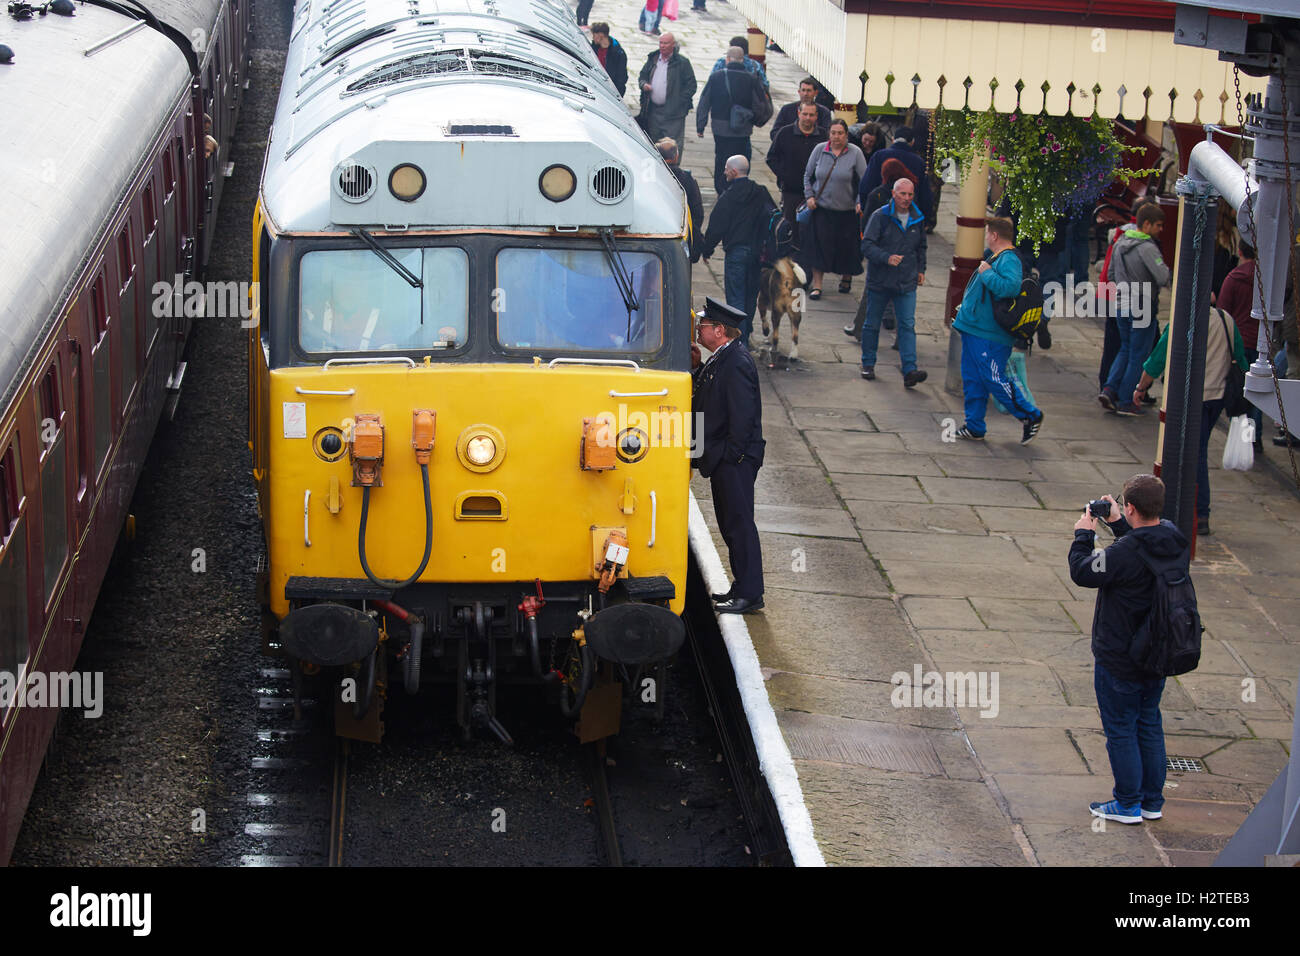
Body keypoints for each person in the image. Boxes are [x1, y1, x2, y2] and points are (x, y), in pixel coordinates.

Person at [1068, 473, 1189, 826]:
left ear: (1131, 506)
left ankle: (1127, 803)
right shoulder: (1173, 538)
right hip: (1159, 651)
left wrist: (1084, 534)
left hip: (1121, 655)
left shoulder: (1124, 553)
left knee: (1121, 728)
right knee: (1149, 722)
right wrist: (1121, 525)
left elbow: (1084, 571)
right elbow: (1144, 552)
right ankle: (1152, 801)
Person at [1134, 305, 1248, 537]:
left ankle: (1196, 511)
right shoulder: (1226, 318)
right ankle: (1196, 510)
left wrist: (1141, 387)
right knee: (1198, 451)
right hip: (1217, 396)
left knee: (1189, 454)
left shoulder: (1182, 318)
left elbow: (1157, 358)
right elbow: (1241, 358)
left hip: (1190, 397)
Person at [691, 297, 765, 614]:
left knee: (739, 524)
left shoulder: (736, 362)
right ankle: (741, 586)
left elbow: (743, 416)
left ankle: (750, 592)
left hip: (734, 460)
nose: (698, 330)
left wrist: (730, 457)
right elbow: (708, 392)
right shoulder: (723, 356)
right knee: (730, 524)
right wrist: (697, 367)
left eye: (702, 326)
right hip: (726, 458)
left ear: (719, 330)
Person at [949, 216, 1045, 444]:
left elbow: (1010, 287)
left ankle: (1031, 415)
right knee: (973, 378)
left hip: (990, 334)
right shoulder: (999, 257)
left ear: (993, 235)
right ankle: (974, 426)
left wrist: (986, 273)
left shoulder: (1008, 259)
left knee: (994, 378)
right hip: (976, 329)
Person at [1099, 204, 1170, 416]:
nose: (1160, 229)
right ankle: (1126, 400)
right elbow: (1163, 277)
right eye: (1158, 225)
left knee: (1125, 348)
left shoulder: (1120, 242)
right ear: (1146, 224)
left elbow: (1111, 273)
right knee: (1139, 353)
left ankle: (1110, 389)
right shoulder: (1147, 247)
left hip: (1122, 302)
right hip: (1143, 304)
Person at [858, 177, 927, 387]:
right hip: (880, 280)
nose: (906, 198)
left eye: (910, 194)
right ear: (894, 194)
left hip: (906, 281)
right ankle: (868, 364)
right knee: (872, 323)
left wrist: (921, 270)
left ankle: (910, 370)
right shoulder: (880, 217)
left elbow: (921, 247)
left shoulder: (917, 218)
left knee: (907, 324)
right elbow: (867, 245)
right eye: (902, 194)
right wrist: (886, 257)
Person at [700, 155, 775, 346]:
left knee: (735, 299)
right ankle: (746, 336)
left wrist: (706, 249)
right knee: (750, 298)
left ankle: (739, 343)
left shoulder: (729, 196)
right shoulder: (761, 192)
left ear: (733, 172)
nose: (724, 172)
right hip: (757, 254)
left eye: (726, 169)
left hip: (736, 253)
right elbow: (773, 217)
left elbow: (717, 225)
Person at [843, 157, 915, 340]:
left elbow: (867, 224)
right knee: (901, 297)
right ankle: (902, 339)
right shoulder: (912, 195)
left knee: (871, 294)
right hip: (905, 254)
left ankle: (858, 329)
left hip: (882, 254)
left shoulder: (878, 195)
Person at [801, 119, 867, 297]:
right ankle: (817, 286)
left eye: (840, 133)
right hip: (822, 209)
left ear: (846, 135)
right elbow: (808, 175)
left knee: (847, 248)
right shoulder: (820, 150)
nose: (836, 137)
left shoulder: (855, 153)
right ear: (828, 134)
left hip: (847, 211)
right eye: (833, 133)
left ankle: (846, 278)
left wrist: (860, 201)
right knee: (819, 248)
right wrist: (809, 197)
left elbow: (865, 181)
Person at [1217, 241, 1263, 452]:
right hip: (1261, 343)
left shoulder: (1234, 277)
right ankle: (1253, 437)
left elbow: (1223, 312)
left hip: (1238, 341)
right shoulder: (1267, 280)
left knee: (1237, 389)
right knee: (1258, 394)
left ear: (1239, 251)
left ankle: (1239, 436)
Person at [695, 46, 758, 196]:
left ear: (727, 59)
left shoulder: (716, 77)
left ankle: (722, 187)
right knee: (741, 156)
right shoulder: (751, 79)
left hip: (720, 127)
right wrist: (754, 120)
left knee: (722, 157)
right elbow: (761, 104)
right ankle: (738, 187)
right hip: (742, 129)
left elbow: (705, 101)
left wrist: (700, 125)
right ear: (743, 60)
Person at [764, 101, 826, 247]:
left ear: (816, 116)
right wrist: (785, 176)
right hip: (791, 191)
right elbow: (771, 158)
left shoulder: (823, 136)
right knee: (790, 230)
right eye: (805, 114)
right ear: (799, 114)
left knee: (813, 231)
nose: (808, 118)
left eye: (811, 115)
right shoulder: (785, 133)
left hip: (816, 193)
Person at [857, 127, 931, 225]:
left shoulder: (879, 156)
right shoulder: (919, 162)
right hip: (908, 216)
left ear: (892, 140)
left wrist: (865, 208)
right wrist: (925, 219)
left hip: (880, 212)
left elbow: (866, 185)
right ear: (912, 142)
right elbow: (925, 195)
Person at [638, 33, 695, 160]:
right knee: (654, 143)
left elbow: (691, 86)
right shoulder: (653, 58)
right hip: (653, 111)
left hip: (673, 114)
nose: (662, 46)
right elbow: (642, 76)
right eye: (661, 43)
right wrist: (644, 85)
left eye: (666, 43)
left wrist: (678, 102)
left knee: (672, 145)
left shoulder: (682, 63)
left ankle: (673, 171)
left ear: (673, 45)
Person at [657, 137, 704, 262]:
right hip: (681, 235)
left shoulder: (653, 177)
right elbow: (698, 211)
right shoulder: (687, 180)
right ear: (676, 157)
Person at [589, 23, 627, 97]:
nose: (593, 38)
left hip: (610, 91)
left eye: (594, 35)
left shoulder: (618, 53)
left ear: (600, 36)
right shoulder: (594, 47)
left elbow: (621, 77)